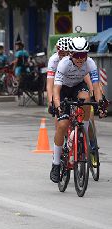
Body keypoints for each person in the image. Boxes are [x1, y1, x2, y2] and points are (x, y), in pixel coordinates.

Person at [49, 37, 106, 183]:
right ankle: (56, 164)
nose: (80, 59)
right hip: (63, 90)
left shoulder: (90, 63)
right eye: (77, 55)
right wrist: (56, 104)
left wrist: (100, 102)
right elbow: (56, 88)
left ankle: (84, 132)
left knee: (86, 98)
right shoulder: (63, 64)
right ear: (71, 54)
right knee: (62, 125)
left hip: (78, 87)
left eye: (83, 55)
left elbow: (96, 84)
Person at [46, 37, 72, 116]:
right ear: (57, 50)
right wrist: (51, 101)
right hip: (60, 85)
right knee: (58, 111)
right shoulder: (53, 60)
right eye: (61, 53)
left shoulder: (75, 58)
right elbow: (50, 84)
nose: (64, 56)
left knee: (88, 114)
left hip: (74, 83)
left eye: (67, 53)